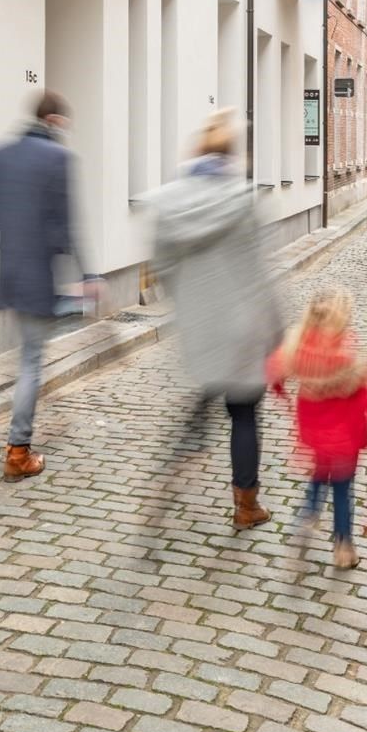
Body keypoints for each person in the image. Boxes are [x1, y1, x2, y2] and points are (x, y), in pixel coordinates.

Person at [148, 109, 283, 529]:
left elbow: (163, 268)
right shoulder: (242, 199)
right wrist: (278, 330)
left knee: (207, 395)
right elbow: (257, 271)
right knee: (243, 415)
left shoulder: (168, 202)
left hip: (200, 323)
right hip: (243, 326)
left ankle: (170, 472)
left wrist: (188, 304)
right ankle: (246, 505)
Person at [0, 90, 98, 479]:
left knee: (28, 357)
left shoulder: (0, 154)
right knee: (31, 362)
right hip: (36, 276)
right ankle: (18, 451)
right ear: (55, 121)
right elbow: (69, 220)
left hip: (8, 271)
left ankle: (19, 444)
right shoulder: (58, 158)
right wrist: (88, 274)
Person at [266, 286, 367, 569]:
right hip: (345, 436)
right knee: (341, 489)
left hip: (314, 431)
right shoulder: (348, 357)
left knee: (318, 473)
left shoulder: (298, 346)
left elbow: (275, 372)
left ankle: (307, 517)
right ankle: (343, 547)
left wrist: (283, 395)